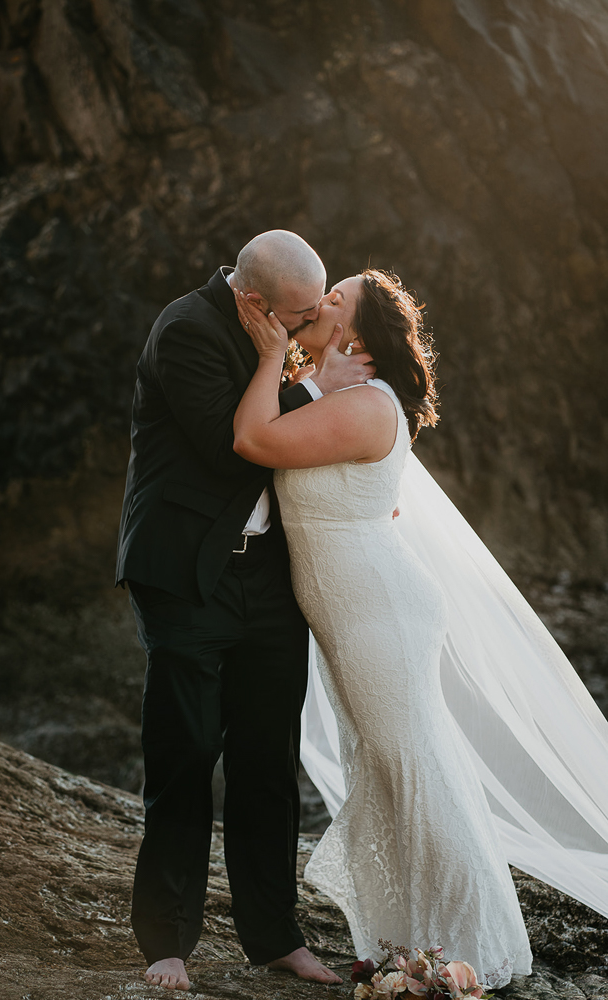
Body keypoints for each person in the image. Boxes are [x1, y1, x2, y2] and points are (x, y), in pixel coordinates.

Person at [232, 269, 535, 986]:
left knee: (411, 767)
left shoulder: (366, 404)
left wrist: (275, 353)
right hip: (353, 610)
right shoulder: (343, 394)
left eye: (334, 298)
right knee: (385, 768)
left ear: (357, 336)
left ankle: (471, 949)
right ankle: (409, 939)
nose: (318, 301)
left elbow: (252, 439)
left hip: (378, 611)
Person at [115, 231, 376, 989]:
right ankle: (167, 942)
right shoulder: (186, 328)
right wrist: (309, 382)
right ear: (255, 303)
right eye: (298, 315)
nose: (308, 326)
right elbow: (240, 445)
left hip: (267, 578)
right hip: (186, 573)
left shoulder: (279, 332)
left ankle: (275, 937)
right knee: (186, 753)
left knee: (266, 760)